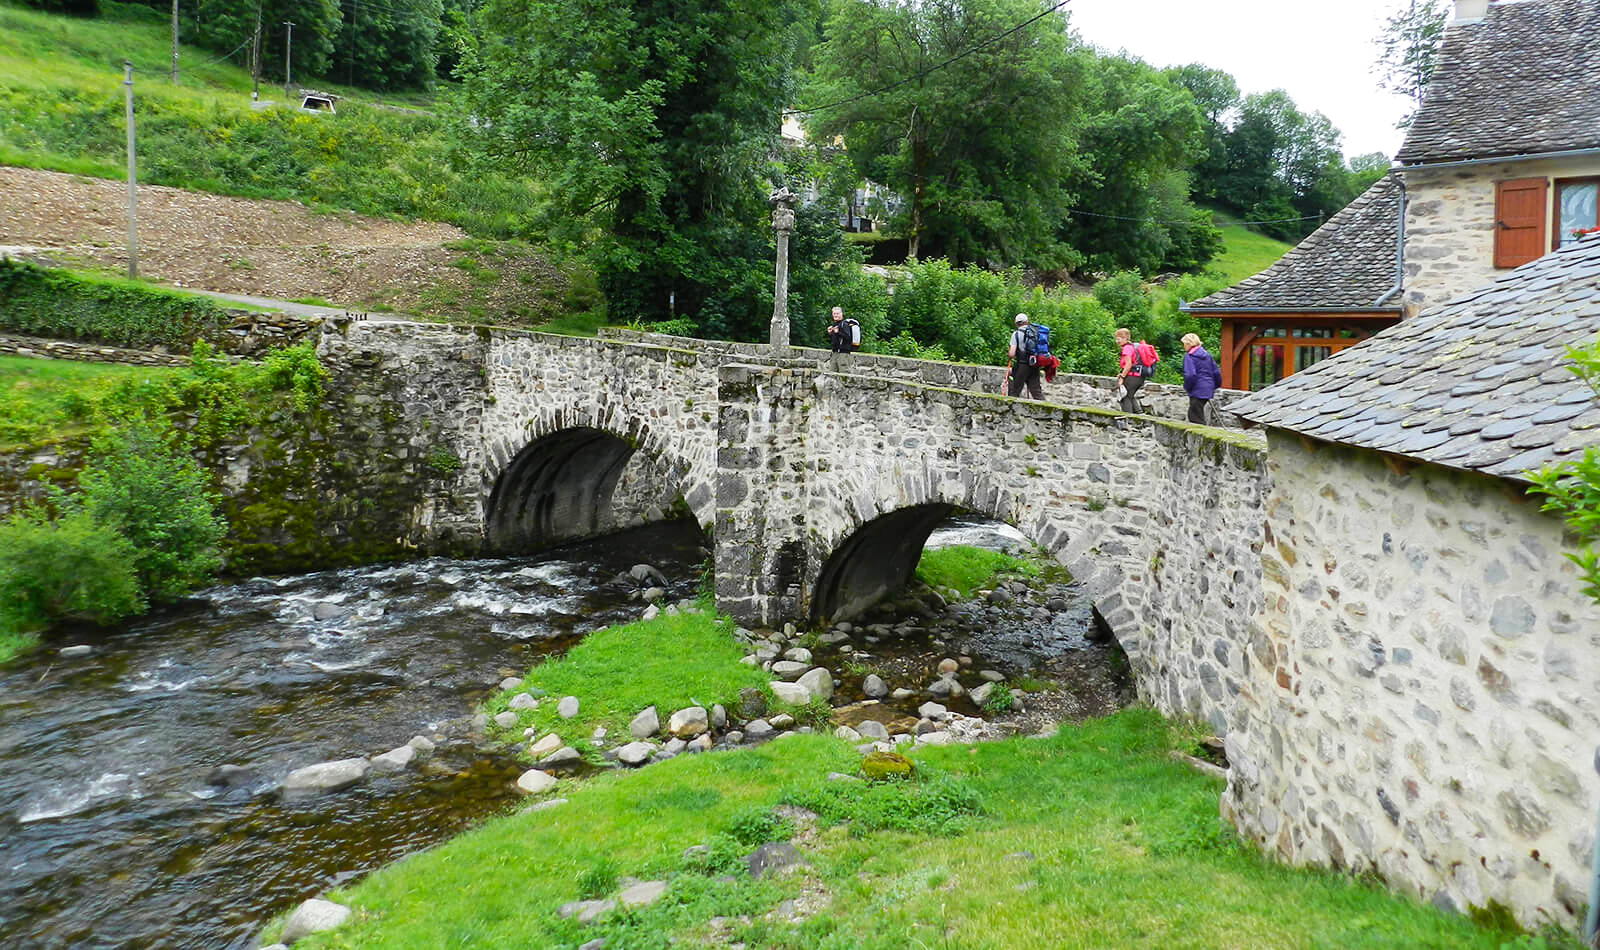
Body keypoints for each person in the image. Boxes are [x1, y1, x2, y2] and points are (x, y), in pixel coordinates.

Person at [1181, 332, 1222, 424]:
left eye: (1184, 344)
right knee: (1197, 413)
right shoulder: (1207, 355)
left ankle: (1202, 437)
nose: (1183, 346)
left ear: (1188, 344)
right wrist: (1214, 386)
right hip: (1208, 388)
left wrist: (1187, 387)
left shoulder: (1189, 356)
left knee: (1195, 416)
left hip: (1197, 389)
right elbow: (1216, 372)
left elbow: (1190, 375)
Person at [1007, 313, 1044, 400]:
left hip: (1022, 366)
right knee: (1036, 392)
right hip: (1035, 365)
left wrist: (1009, 355)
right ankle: (1046, 410)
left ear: (1016, 323)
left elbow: (1011, 354)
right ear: (1027, 322)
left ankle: (1010, 410)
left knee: (1014, 391)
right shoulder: (1035, 333)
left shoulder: (1016, 334)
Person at [1114, 327, 1143, 412]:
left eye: (1118, 339)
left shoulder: (1127, 348)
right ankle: (1139, 416)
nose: (1117, 341)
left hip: (1132, 377)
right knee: (1130, 395)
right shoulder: (1132, 347)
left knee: (1125, 397)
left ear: (1124, 338)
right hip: (1138, 377)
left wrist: (1122, 377)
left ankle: (1128, 419)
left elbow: (1128, 364)